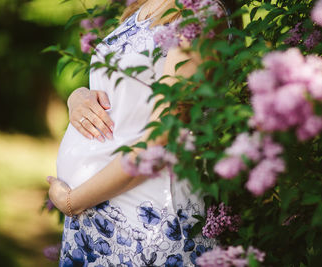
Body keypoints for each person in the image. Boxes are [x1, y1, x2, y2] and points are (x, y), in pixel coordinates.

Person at [46, 0, 231, 266]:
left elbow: (162, 138)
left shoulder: (200, 14)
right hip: (96, 218)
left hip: (145, 230)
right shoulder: (143, 7)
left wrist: (72, 201)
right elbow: (120, 95)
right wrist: (78, 97)